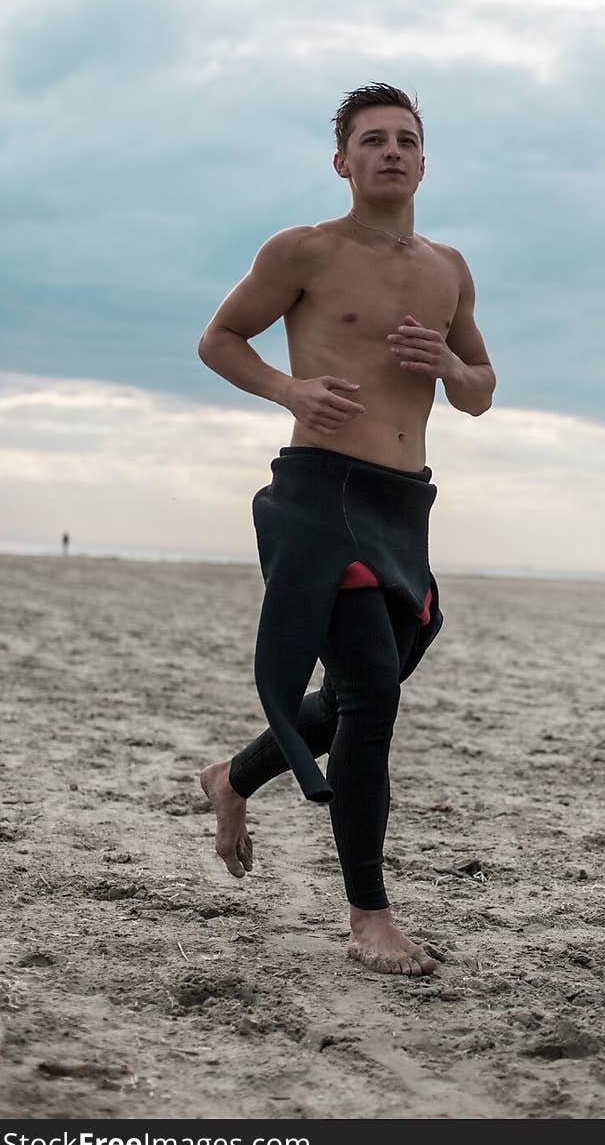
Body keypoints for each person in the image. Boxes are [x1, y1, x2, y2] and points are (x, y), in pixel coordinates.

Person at [197, 84, 496, 976]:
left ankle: (233, 779)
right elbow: (220, 338)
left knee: (367, 689)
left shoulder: (449, 268)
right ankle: (369, 915)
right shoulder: (305, 251)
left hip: (405, 504)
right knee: (371, 694)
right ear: (344, 162)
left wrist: (447, 363)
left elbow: (480, 389)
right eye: (373, 140)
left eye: (407, 140)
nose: (391, 152)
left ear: (423, 161)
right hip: (320, 492)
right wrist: (287, 390)